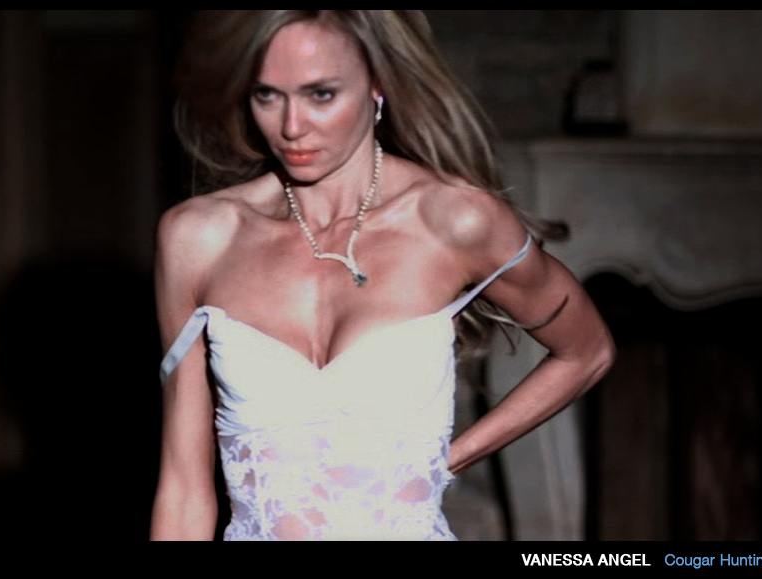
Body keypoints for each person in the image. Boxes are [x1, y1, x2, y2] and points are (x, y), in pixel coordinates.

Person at [150, 10, 615, 541]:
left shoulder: (453, 222)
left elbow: (587, 351)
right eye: (267, 95)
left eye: (321, 94)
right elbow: (183, 491)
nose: (292, 126)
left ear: (377, 83)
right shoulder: (198, 240)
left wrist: (449, 460)